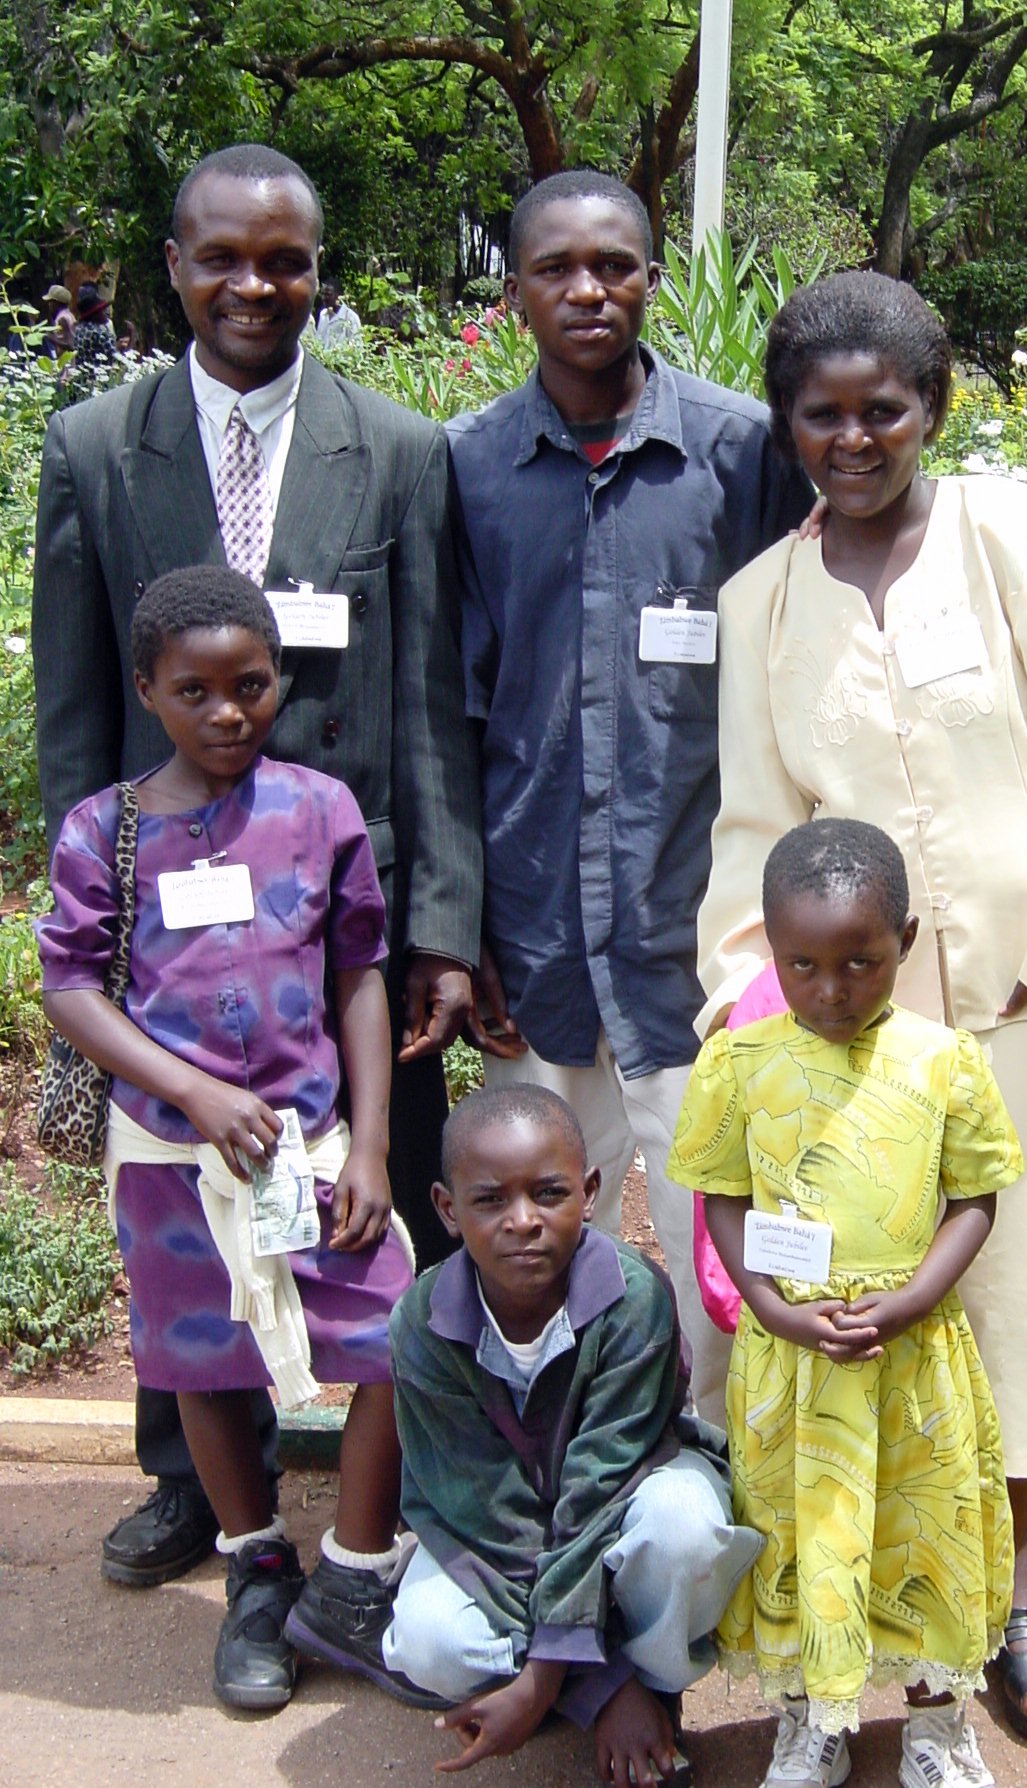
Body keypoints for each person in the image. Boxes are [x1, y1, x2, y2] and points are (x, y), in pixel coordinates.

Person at [694, 270, 1027, 1744]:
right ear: (786, 425)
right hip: (852, 1034)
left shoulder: (1021, 534)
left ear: (931, 407)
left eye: (881, 409)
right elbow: (753, 831)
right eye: (819, 415)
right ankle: (870, 1601)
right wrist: (739, 998)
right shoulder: (761, 600)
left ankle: (1018, 1590)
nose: (852, 438)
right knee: (865, 1305)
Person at [31, 143, 478, 1595]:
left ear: (317, 273)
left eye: (283, 260)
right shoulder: (97, 446)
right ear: (173, 261)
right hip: (169, 937)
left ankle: (384, 1498)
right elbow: (77, 708)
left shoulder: (400, 449)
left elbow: (426, 707)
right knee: (180, 1204)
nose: (253, 284)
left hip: (342, 931)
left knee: (371, 1202)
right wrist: (95, 920)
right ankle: (190, 1481)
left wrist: (440, 929)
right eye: (223, 255)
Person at [450, 169, 813, 1426]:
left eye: (614, 264)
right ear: (515, 295)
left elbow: (795, 679)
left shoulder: (738, 456)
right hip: (535, 940)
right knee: (541, 1232)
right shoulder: (472, 470)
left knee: (727, 1241)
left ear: (652, 277)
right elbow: (455, 716)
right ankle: (553, 1457)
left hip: (695, 940)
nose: (588, 290)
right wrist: (460, 929)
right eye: (557, 268)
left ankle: (717, 1465)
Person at [36, 567, 433, 1713]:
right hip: (172, 1155)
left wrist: (364, 1145)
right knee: (201, 1364)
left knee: (394, 1337)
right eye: (195, 691)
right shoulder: (102, 831)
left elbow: (359, 970)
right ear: (148, 689)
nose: (227, 714)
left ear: (280, 680)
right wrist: (195, 1094)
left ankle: (353, 1578)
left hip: (308, 1145)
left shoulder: (318, 811)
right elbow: (70, 987)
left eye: (250, 686)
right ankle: (257, 1565)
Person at [668, 819, 1020, 1788]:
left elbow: (974, 1197)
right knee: (795, 1532)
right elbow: (721, 1197)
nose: (830, 991)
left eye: (861, 963)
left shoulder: (943, 1062)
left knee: (921, 1534)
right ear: (772, 954)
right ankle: (811, 1717)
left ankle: (936, 1721)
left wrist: (912, 1300)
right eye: (802, 965)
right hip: (793, 1361)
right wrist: (771, 1309)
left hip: (909, 1358)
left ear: (905, 943)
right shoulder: (738, 1066)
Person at [383, 1083, 760, 1781]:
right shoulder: (423, 1322)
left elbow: (602, 1490)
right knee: (430, 1640)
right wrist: (597, 1686)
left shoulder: (631, 1296)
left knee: (683, 1529)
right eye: (490, 1200)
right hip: (498, 1540)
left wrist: (552, 1672)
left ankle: (651, 1681)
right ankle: (609, 1687)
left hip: (624, 1501)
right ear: (446, 1208)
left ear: (589, 1193)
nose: (522, 1221)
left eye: (549, 1194)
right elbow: (488, 1518)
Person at [315, 279, 363, 348]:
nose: (324, 298)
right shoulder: (323, 315)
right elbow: (318, 340)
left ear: (338, 296)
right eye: (322, 294)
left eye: (328, 295)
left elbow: (357, 345)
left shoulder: (349, 317)